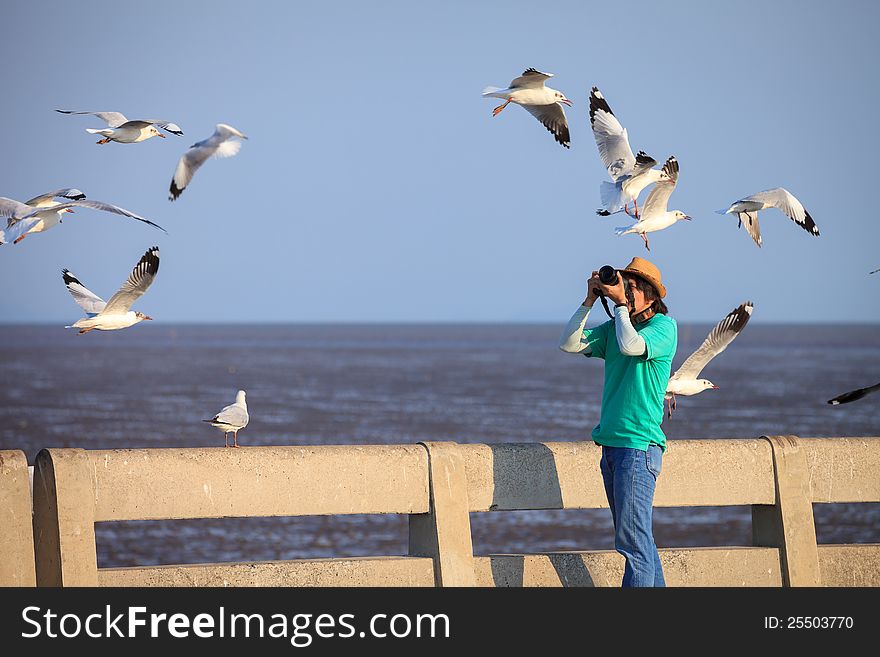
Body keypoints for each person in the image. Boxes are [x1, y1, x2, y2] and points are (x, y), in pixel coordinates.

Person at [558, 257, 677, 587]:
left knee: (634, 548)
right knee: (641, 544)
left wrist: (621, 305)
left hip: (638, 449)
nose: (625, 290)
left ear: (652, 296)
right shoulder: (614, 328)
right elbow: (568, 343)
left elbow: (631, 346)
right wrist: (589, 301)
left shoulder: (663, 328)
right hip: (612, 449)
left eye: (633, 286)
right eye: (624, 284)